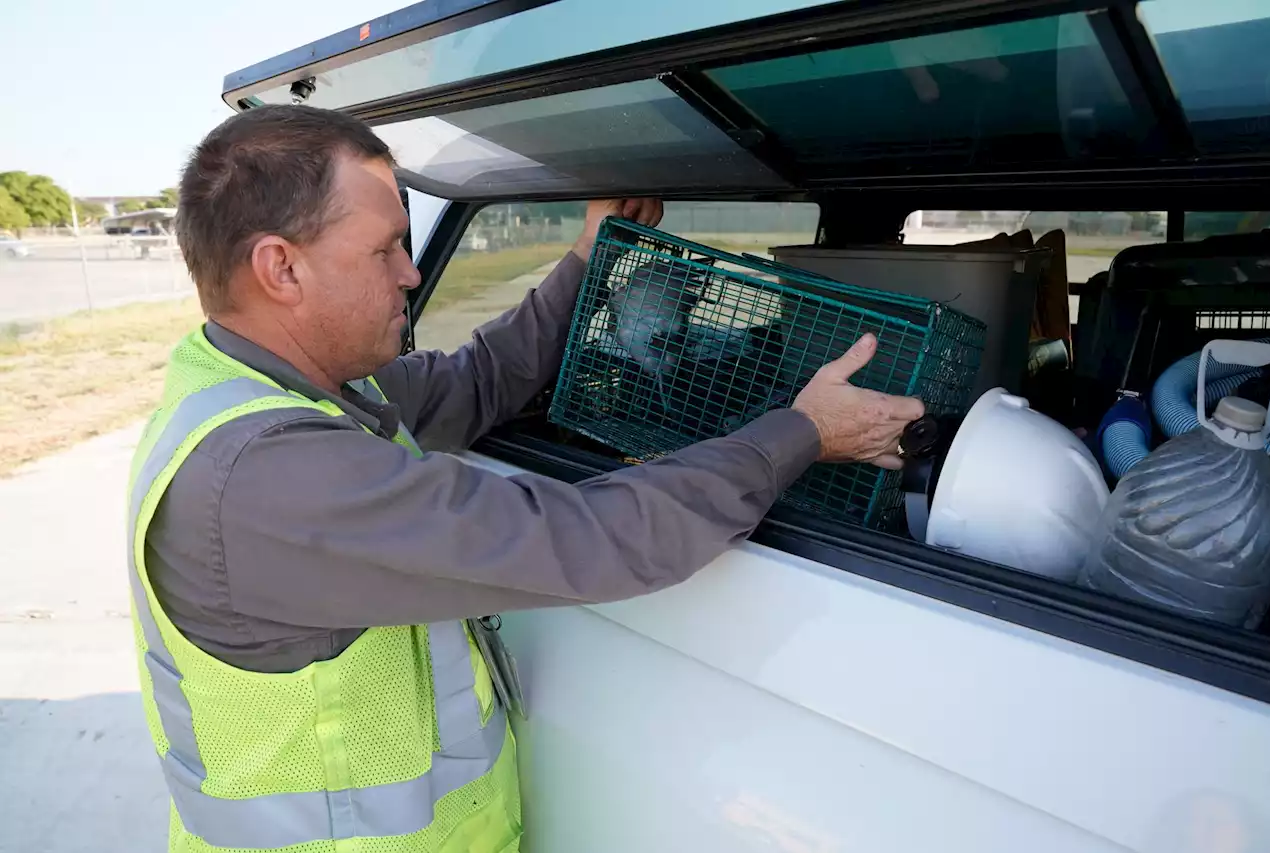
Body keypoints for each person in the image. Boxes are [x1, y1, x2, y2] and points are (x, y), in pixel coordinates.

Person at [126, 104, 924, 852]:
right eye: (384, 250)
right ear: (281, 269)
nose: (409, 275)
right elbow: (585, 538)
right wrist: (803, 432)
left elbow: (478, 380)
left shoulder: (289, 389)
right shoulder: (270, 477)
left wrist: (588, 256)